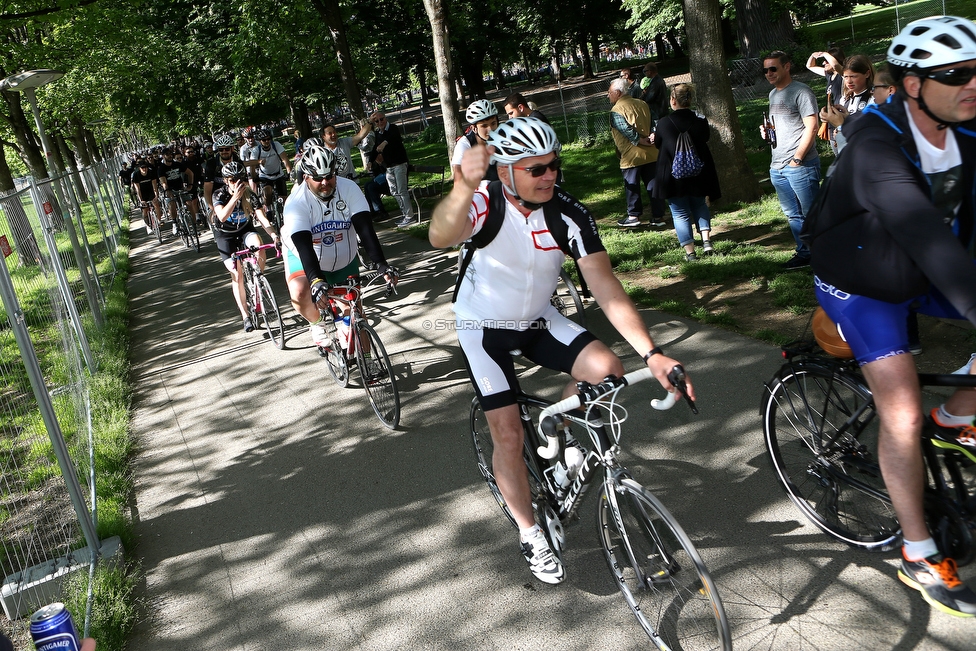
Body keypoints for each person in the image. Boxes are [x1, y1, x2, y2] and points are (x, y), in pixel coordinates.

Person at [428, 117, 694, 584]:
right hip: (484, 328)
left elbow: (605, 287)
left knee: (606, 368)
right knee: (508, 435)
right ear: (506, 172)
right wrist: (463, 186)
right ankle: (530, 532)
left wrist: (652, 354)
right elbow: (440, 235)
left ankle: (564, 437)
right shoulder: (485, 201)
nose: (550, 175)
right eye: (536, 170)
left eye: (554, 165)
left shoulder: (566, 212)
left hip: (537, 319)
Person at [807, 15, 976, 618]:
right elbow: (923, 231)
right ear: (911, 85)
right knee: (899, 412)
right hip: (862, 284)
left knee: (930, 407)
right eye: (955, 75)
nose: (972, 84)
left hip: (919, 270)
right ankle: (918, 550)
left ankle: (955, 415)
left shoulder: (966, 130)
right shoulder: (876, 143)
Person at [280, 145, 396, 347]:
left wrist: (381, 264)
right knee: (300, 291)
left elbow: (365, 230)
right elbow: (304, 246)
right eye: (318, 178)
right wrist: (316, 280)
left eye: (329, 176)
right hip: (304, 254)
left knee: (355, 314)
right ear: (306, 177)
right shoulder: (296, 202)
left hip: (343, 255)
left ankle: (369, 365)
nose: (325, 183)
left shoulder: (349, 189)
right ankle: (317, 323)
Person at [760, 50, 820, 269]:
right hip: (777, 165)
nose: (768, 73)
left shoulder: (801, 92)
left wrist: (797, 158)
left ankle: (826, 255)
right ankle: (805, 254)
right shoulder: (773, 94)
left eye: (773, 68)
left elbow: (812, 127)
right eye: (765, 70)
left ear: (787, 66)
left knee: (812, 213)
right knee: (793, 215)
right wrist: (766, 132)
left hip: (800, 165)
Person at [652, 83, 721, 261]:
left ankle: (690, 252)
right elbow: (705, 137)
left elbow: (659, 143)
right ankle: (706, 242)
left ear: (673, 100)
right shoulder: (700, 119)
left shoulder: (664, 123)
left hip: (673, 176)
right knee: (700, 205)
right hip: (699, 172)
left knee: (680, 212)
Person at [211, 161, 279, 333]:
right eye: (233, 180)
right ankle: (245, 316)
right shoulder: (219, 194)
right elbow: (222, 216)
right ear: (226, 181)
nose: (237, 182)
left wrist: (274, 235)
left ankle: (258, 280)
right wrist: (234, 198)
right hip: (225, 234)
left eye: (240, 178)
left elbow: (262, 218)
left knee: (259, 246)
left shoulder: (250, 194)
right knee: (237, 273)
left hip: (244, 230)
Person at [608, 77, 666, 229]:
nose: (608, 95)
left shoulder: (616, 110)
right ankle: (658, 216)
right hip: (652, 154)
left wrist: (641, 140)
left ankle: (633, 216)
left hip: (631, 156)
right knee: (653, 185)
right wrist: (653, 134)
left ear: (617, 93)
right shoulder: (642, 103)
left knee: (632, 186)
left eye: (609, 92)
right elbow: (655, 120)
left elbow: (625, 130)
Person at [368, 111, 413, 228]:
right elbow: (375, 149)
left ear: (385, 118)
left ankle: (409, 216)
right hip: (389, 167)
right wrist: (370, 161)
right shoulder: (378, 133)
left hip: (399, 164)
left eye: (381, 119)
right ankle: (405, 214)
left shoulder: (393, 128)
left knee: (402, 190)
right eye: (376, 121)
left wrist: (384, 143)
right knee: (394, 191)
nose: (380, 122)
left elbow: (393, 137)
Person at [451, 100, 500, 186]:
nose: (490, 129)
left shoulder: (503, 138)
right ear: (474, 128)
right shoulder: (464, 145)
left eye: (493, 123)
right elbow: (458, 181)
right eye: (484, 126)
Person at [244, 128, 292, 212]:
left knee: (284, 198)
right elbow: (252, 165)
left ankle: (285, 214)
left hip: (278, 174)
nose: (267, 141)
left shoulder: (276, 145)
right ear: (260, 141)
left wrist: (289, 172)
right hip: (265, 176)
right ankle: (269, 209)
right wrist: (254, 177)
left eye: (268, 139)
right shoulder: (256, 150)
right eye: (264, 140)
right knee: (267, 192)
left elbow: (285, 159)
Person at [156, 148, 193, 235]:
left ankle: (193, 224)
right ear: (163, 156)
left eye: (170, 154)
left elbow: (190, 173)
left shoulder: (177, 164)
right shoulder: (161, 168)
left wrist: (190, 185)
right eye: (167, 154)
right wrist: (167, 191)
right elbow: (163, 182)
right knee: (171, 204)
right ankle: (174, 223)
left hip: (180, 188)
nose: (170, 156)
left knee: (189, 203)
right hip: (170, 190)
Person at [203, 135, 243, 215]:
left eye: (227, 149)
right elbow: (207, 188)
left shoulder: (238, 161)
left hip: (235, 191)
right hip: (217, 194)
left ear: (232, 148)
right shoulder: (212, 163)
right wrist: (212, 208)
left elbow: (245, 183)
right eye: (221, 149)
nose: (224, 151)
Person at [131, 159, 162, 235]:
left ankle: (159, 221)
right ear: (139, 168)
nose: (144, 169)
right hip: (142, 193)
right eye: (142, 168)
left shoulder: (151, 173)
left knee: (156, 204)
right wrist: (141, 200)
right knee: (145, 210)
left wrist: (156, 196)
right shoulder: (136, 175)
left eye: (145, 167)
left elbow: (155, 186)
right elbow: (137, 189)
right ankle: (148, 226)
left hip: (150, 190)